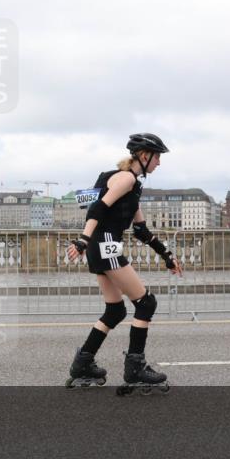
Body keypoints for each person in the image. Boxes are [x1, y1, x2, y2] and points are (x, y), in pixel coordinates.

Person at [66, 133, 184, 387]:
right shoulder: (126, 179)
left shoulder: (125, 182)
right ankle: (135, 368)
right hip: (104, 246)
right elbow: (96, 208)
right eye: (157, 157)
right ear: (144, 156)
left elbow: (141, 231)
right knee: (146, 303)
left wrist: (166, 255)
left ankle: (83, 363)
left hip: (101, 247)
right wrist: (82, 241)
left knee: (115, 310)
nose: (159, 163)